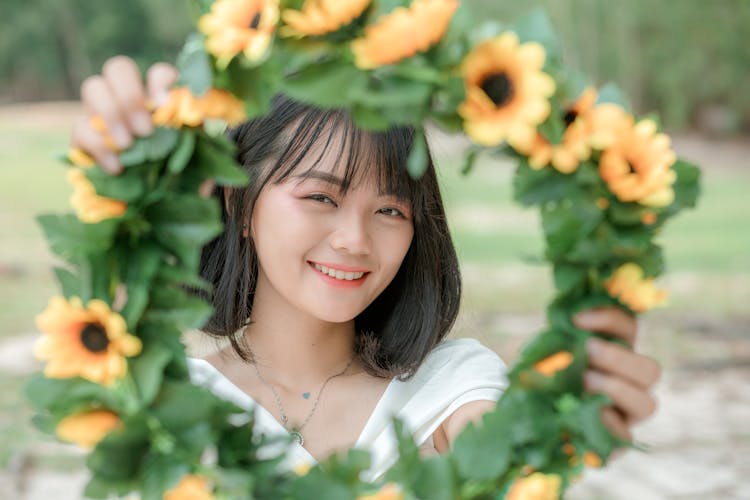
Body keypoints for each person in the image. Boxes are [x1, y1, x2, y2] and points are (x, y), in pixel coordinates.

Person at [70, 56, 661, 481]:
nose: (354, 241)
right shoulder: (176, 396)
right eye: (320, 197)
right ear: (239, 204)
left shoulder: (450, 388)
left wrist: (566, 420)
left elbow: (507, 448)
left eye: (388, 209)